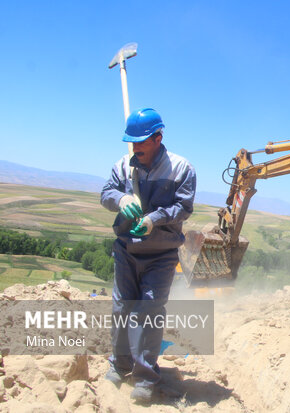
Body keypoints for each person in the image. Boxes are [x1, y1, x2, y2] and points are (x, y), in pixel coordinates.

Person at [100, 108, 196, 402]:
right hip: (127, 250)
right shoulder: (123, 167)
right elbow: (105, 193)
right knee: (122, 308)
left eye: (141, 141)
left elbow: (184, 207)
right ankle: (119, 365)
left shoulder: (181, 168)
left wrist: (155, 218)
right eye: (132, 141)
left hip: (161, 254)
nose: (135, 147)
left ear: (158, 137)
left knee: (149, 312)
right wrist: (121, 197)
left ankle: (145, 377)